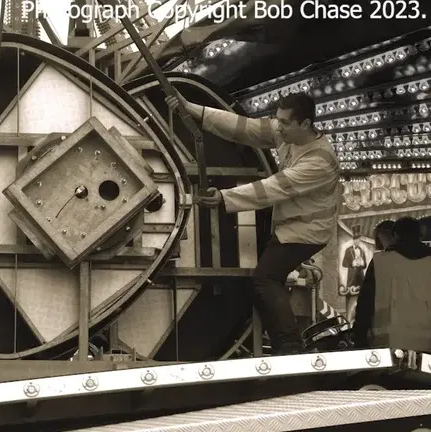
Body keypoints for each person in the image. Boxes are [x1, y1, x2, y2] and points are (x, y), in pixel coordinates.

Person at [166, 91, 340, 355]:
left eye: (284, 123)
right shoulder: (288, 135)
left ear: (304, 124)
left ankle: (290, 346)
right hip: (290, 228)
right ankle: (285, 344)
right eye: (277, 120)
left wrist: (224, 198)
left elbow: (271, 189)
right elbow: (243, 128)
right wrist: (193, 109)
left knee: (265, 279)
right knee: (267, 281)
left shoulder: (319, 161)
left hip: (307, 233)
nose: (277, 127)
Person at [352, 217, 431, 352]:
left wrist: (359, 338)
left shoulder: (380, 262)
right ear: (421, 235)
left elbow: (365, 303)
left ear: (395, 236)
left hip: (389, 345)